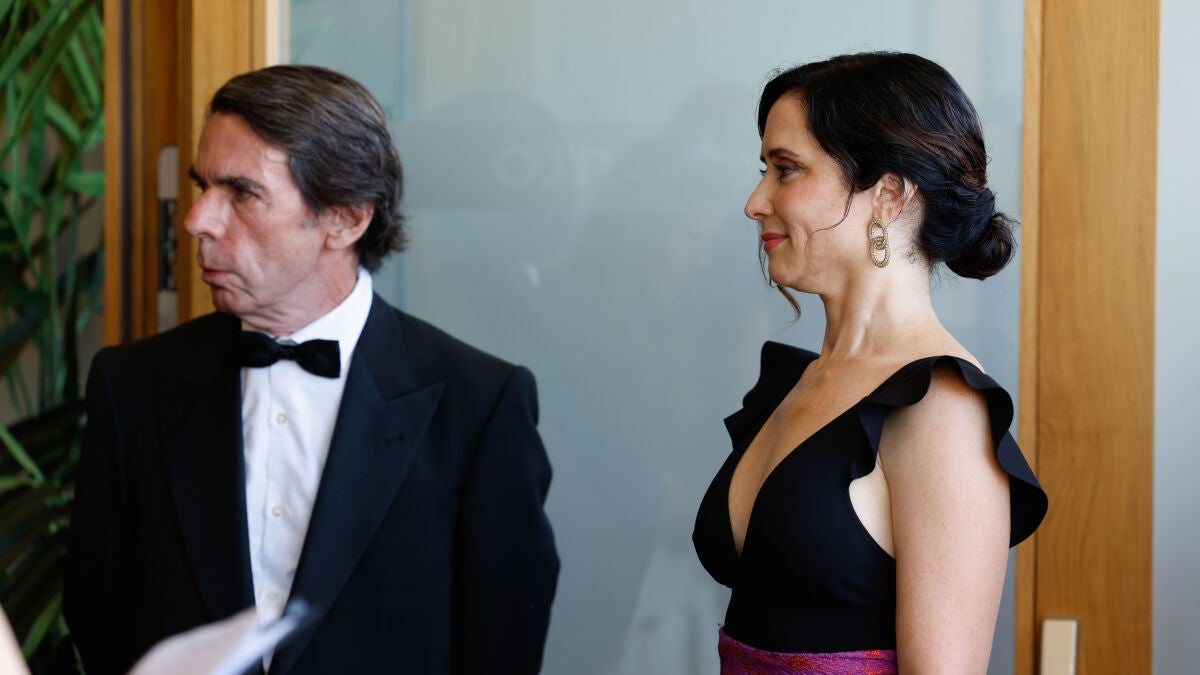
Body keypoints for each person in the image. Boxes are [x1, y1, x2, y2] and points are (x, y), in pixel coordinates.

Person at [65, 65, 559, 675]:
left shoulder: (479, 405)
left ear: (346, 218)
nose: (197, 220)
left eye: (241, 193)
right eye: (202, 185)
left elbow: (502, 645)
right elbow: (98, 615)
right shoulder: (130, 387)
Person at [692, 52, 1048, 673]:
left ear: (887, 194)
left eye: (786, 169)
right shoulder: (800, 380)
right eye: (764, 170)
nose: (755, 202)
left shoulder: (940, 408)